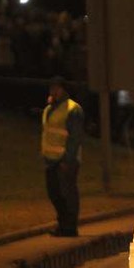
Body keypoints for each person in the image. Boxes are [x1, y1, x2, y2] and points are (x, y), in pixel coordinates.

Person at [41, 76, 83, 237]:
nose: (53, 91)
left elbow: (75, 137)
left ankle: (70, 227)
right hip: (51, 160)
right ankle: (62, 223)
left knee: (67, 193)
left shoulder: (73, 109)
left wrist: (68, 159)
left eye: (56, 88)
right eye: (52, 88)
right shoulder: (49, 109)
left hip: (66, 161)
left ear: (64, 90)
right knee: (54, 193)